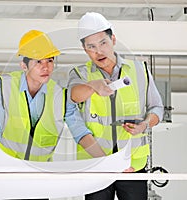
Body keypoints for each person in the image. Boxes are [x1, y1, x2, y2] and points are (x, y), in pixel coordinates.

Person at [0, 30, 105, 199]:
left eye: (50, 61)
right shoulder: (2, 86)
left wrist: (107, 163)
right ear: (24, 65)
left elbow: (81, 133)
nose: (46, 67)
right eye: (39, 62)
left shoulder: (60, 95)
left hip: (38, 179)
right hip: (7, 174)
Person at [67, 12, 164, 200]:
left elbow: (157, 108)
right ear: (84, 49)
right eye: (91, 46)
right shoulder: (79, 74)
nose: (99, 51)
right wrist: (92, 86)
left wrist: (144, 125)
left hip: (133, 165)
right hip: (96, 165)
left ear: (113, 39)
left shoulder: (139, 70)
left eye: (103, 43)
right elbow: (72, 97)